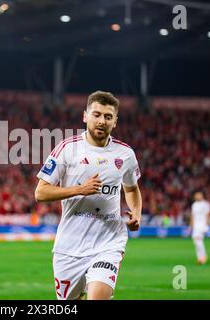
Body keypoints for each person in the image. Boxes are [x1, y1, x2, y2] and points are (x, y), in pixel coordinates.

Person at [34, 91, 142, 300]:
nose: (102, 121)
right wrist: (79, 189)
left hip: (108, 242)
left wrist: (136, 212)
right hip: (69, 246)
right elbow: (41, 192)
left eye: (108, 117)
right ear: (85, 116)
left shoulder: (125, 154)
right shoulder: (67, 149)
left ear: (115, 121)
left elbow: (131, 188)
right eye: (97, 114)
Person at [190, 191, 210, 265]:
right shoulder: (194, 205)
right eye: (196, 195)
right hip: (196, 225)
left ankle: (203, 257)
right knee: (196, 241)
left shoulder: (205, 204)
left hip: (202, 225)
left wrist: (206, 225)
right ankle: (200, 257)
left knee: (198, 240)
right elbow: (192, 215)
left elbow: (208, 214)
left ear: (202, 196)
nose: (197, 196)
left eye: (198, 195)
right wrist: (191, 225)